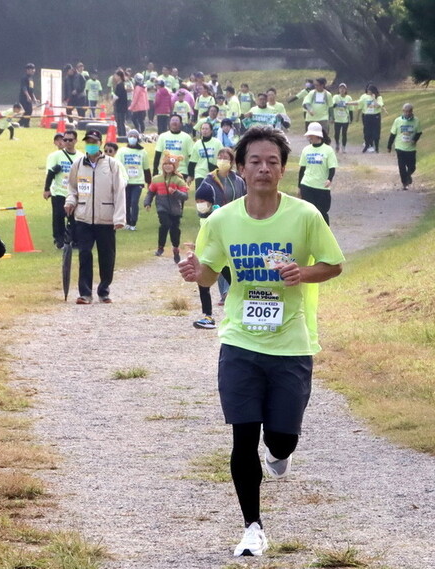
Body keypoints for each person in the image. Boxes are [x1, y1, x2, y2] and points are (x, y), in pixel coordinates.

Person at [177, 126, 344, 558]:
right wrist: (198, 272)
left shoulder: (306, 215)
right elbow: (211, 273)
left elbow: (333, 264)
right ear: (241, 166)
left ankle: (281, 452)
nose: (264, 169)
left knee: (281, 440)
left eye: (272, 162)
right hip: (240, 342)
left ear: (283, 169)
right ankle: (252, 527)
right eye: (255, 161)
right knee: (242, 436)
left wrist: (302, 273)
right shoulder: (221, 220)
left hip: (290, 342)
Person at [64, 129, 126, 305]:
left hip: (105, 218)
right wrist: (70, 201)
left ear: (100, 143)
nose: (91, 144)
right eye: (88, 141)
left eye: (94, 141)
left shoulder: (112, 165)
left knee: (107, 255)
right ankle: (85, 293)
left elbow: (119, 192)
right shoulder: (78, 164)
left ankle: (104, 290)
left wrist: (119, 218)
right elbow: (72, 189)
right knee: (84, 254)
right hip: (83, 217)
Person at [191, 147, 246, 329]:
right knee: (203, 270)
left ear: (232, 161)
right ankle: (207, 315)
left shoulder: (238, 181)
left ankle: (246, 304)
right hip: (209, 230)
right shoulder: (208, 181)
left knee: (231, 270)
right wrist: (209, 209)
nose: (222, 160)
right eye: (220, 157)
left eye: (226, 157)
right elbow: (201, 204)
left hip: (233, 229)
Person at [144, 154, 188, 263]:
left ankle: (176, 248)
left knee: (174, 229)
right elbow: (150, 193)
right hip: (162, 207)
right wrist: (147, 203)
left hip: (175, 209)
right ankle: (160, 247)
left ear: (175, 166)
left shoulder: (178, 180)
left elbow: (185, 196)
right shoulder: (156, 179)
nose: (168, 166)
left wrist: (176, 192)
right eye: (165, 164)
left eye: (170, 164)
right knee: (165, 224)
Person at [44, 131, 83, 249]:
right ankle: (59, 239)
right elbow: (50, 173)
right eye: (65, 140)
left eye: (70, 140)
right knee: (58, 217)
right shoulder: (55, 156)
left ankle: (75, 239)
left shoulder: (81, 156)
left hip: (74, 192)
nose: (67, 142)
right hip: (59, 192)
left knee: (74, 217)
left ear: (76, 141)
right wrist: (47, 189)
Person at [298, 122, 338, 225]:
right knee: (309, 211)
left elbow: (332, 167)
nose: (309, 137)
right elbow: (302, 169)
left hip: (322, 186)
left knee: (322, 212)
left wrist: (329, 179)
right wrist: (299, 187)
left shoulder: (328, 150)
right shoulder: (306, 150)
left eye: (311, 135)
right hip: (307, 184)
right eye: (308, 135)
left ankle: (325, 233)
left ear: (317, 135)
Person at [117, 129, 151, 230]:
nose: (132, 138)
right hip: (125, 181)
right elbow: (117, 166)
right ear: (128, 138)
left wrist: (149, 182)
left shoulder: (142, 152)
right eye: (131, 136)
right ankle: (127, 222)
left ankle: (133, 223)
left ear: (137, 138)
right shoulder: (122, 151)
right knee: (126, 203)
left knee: (134, 202)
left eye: (135, 136)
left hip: (138, 182)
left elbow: (146, 168)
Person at [387, 103, 423, 190]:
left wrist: (414, 140)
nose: (407, 113)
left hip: (411, 148)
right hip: (400, 147)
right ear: (403, 111)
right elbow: (392, 134)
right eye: (405, 111)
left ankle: (408, 175)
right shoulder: (397, 121)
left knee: (412, 167)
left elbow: (419, 132)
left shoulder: (416, 121)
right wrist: (389, 145)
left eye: (409, 111)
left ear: (412, 111)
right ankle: (404, 183)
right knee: (401, 166)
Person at [188, 121, 222, 190]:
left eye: (206, 129)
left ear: (211, 131)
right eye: (203, 129)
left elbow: (222, 157)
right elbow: (192, 161)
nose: (204, 131)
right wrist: (190, 175)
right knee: (200, 195)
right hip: (200, 173)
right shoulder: (197, 144)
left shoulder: (217, 143)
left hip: (213, 173)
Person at [359, 84, 384, 153]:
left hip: (376, 116)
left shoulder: (379, 97)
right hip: (367, 116)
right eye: (368, 90)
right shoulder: (365, 97)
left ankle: (376, 147)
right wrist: (347, 103)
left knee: (376, 132)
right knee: (367, 132)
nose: (368, 92)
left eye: (369, 91)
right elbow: (359, 102)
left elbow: (378, 106)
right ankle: (367, 145)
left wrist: (374, 98)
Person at [331, 83, 355, 153]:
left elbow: (351, 109)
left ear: (346, 90)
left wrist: (351, 118)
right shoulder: (336, 97)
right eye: (340, 88)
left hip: (345, 119)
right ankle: (337, 144)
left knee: (344, 133)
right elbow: (332, 105)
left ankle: (343, 147)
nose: (342, 90)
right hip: (337, 118)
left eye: (343, 88)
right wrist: (339, 104)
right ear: (338, 90)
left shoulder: (348, 98)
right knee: (337, 133)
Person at [18, 63, 39, 127]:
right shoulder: (24, 78)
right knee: (28, 110)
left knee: (29, 111)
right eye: (32, 69)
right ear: (27, 70)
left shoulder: (31, 79)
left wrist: (34, 98)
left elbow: (31, 90)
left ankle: (23, 124)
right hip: (24, 97)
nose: (33, 71)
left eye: (34, 69)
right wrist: (28, 96)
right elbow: (24, 88)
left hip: (29, 98)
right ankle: (22, 124)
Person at [112, 70, 129, 137]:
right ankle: (120, 135)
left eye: (116, 75)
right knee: (119, 122)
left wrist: (112, 102)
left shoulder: (120, 85)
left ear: (119, 76)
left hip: (121, 106)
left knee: (121, 122)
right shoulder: (120, 85)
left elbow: (116, 96)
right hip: (120, 106)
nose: (115, 77)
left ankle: (123, 136)